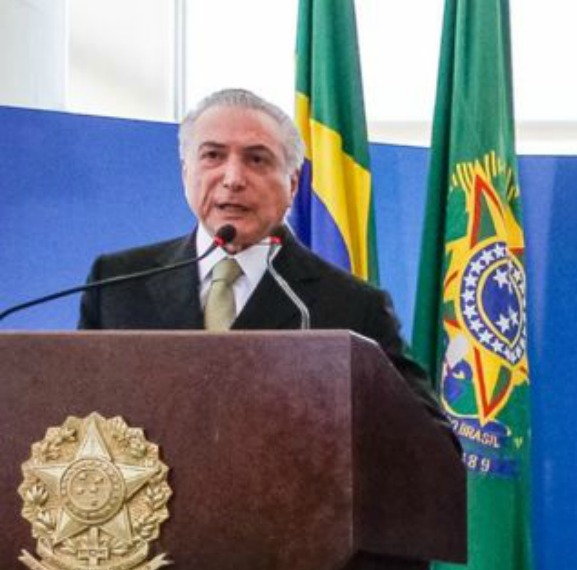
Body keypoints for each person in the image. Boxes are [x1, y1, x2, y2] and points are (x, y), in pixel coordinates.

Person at [78, 88, 437, 412]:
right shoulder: (116, 285)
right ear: (186, 172)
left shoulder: (353, 307)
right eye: (213, 155)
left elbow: (428, 439)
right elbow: (75, 417)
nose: (233, 178)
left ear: (292, 184)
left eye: (257, 160)